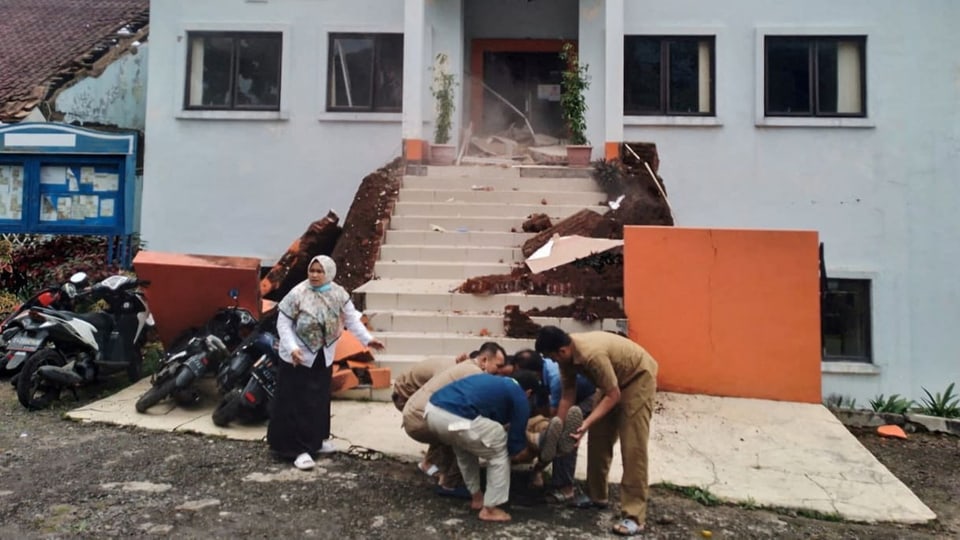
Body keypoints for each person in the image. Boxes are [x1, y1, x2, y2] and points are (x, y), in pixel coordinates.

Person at [535, 326, 659, 537]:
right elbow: (568, 395)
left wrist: (586, 423)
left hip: (638, 379)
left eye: (553, 359)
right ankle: (596, 496)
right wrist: (559, 426)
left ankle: (634, 516)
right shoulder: (567, 356)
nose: (554, 363)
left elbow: (613, 395)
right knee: (599, 439)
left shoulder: (592, 355)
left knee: (633, 447)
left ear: (561, 351)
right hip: (612, 383)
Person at [268, 255, 384, 471]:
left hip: (322, 355)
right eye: (312, 271)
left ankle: (315, 441)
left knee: (318, 400)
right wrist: (292, 348)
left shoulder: (338, 293)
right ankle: (296, 449)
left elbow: (350, 319)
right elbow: (283, 322)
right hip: (298, 357)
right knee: (297, 402)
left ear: (329, 273)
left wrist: (368, 339)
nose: (314, 275)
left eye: (319, 271)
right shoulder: (299, 293)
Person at [424, 370, 539, 523]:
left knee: (465, 450)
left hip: (431, 413)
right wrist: (523, 452)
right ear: (529, 392)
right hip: (457, 417)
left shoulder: (492, 381)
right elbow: (515, 442)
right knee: (499, 449)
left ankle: (477, 498)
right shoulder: (519, 394)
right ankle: (490, 508)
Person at [401, 342, 508, 491]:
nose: (500, 372)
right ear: (484, 360)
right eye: (498, 366)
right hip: (420, 420)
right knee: (467, 430)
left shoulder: (467, 366)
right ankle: (451, 483)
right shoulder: (475, 374)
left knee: (455, 425)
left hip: (414, 415)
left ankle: (434, 466)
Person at [513, 348, 596, 502]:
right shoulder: (541, 371)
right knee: (548, 429)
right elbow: (544, 408)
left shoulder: (556, 378)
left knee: (567, 435)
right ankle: (537, 468)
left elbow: (555, 418)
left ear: (532, 373)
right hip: (570, 394)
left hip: (588, 397)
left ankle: (564, 488)